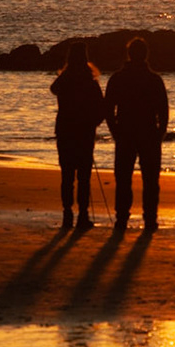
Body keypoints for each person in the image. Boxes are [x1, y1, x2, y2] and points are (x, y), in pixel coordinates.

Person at [102, 36, 169, 231]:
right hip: (147, 133)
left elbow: (108, 109)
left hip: (126, 132)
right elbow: (163, 111)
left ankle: (122, 218)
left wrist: (115, 130)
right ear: (146, 55)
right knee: (150, 180)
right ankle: (149, 219)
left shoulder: (118, 78)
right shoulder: (154, 79)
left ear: (129, 55)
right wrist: (160, 133)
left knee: (123, 178)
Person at [49, 42, 105, 230]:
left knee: (67, 175)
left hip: (65, 130)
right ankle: (82, 215)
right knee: (83, 176)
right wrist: (93, 123)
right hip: (84, 132)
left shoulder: (65, 80)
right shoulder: (90, 82)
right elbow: (101, 108)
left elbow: (54, 88)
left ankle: (67, 214)